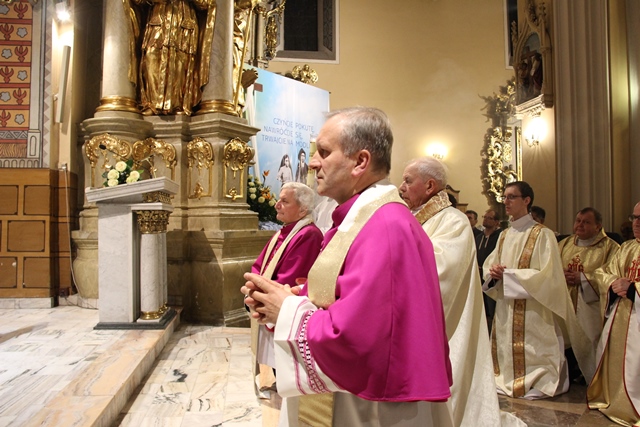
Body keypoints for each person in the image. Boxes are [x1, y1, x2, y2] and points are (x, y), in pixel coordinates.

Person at [243, 107, 453, 426]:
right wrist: (282, 297)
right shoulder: (362, 218)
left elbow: (357, 338)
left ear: (360, 162)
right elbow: (341, 297)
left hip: (368, 411)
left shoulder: (385, 226)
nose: (313, 162)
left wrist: (285, 309)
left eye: (324, 152)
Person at [399, 158, 521, 427]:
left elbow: (441, 270)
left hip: (447, 324)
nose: (401, 187)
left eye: (408, 180)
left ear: (430, 186)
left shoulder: (453, 221)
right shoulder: (414, 218)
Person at [483, 181, 595, 399]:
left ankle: (537, 379)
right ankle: (507, 377)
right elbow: (490, 265)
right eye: (505, 197)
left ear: (526, 200)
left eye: (511, 197)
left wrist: (509, 276)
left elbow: (548, 275)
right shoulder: (504, 235)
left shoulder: (543, 234)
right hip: (507, 304)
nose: (506, 201)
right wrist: (493, 272)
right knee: (505, 345)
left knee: (533, 348)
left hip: (534, 306)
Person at [249, 182, 323, 394]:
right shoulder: (284, 231)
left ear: (302, 209)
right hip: (265, 298)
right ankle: (278, 382)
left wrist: (259, 294)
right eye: (279, 200)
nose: (277, 205)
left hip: (283, 304)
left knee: (282, 355)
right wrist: (253, 286)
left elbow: (291, 276)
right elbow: (259, 265)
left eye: (284, 201)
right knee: (271, 354)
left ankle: (286, 387)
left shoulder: (309, 234)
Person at [587, 202, 640, 426]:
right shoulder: (627, 248)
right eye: (634, 217)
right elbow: (603, 272)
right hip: (621, 316)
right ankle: (617, 400)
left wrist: (634, 289)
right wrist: (613, 283)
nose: (636, 223)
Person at [134, 0, 216, 115]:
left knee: (180, 64)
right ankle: (151, 104)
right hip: (158, 21)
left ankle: (178, 105)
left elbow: (205, 3)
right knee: (151, 58)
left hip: (183, 23)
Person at [558, 208, 620, 346]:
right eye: (578, 221)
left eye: (586, 222)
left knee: (589, 347)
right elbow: (551, 267)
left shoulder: (611, 248)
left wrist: (583, 278)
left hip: (591, 309)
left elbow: (612, 277)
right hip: (565, 302)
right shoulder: (564, 244)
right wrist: (560, 274)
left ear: (598, 226)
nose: (580, 225)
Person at [476, 209, 503, 329]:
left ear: (497, 222)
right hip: (478, 275)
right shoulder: (479, 237)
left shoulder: (499, 237)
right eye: (485, 217)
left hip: (491, 277)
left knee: (491, 307)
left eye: (489, 218)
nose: (486, 220)